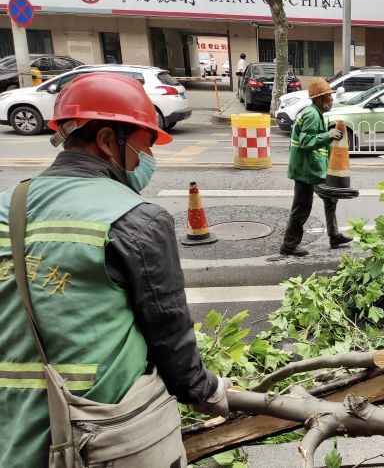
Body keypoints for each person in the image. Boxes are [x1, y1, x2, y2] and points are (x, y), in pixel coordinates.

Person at [0, 73, 230, 467]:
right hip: (101, 431)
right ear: (108, 141)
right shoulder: (135, 217)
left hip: (14, 425)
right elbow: (167, 327)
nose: (148, 161)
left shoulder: (7, 204)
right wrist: (203, 390)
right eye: (145, 147)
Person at [280, 77, 353, 256]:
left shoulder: (314, 112)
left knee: (330, 198)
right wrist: (328, 136)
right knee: (302, 206)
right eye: (329, 97)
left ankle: (334, 236)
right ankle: (289, 245)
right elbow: (306, 141)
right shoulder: (312, 115)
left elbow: (317, 142)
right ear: (320, 99)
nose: (331, 100)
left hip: (313, 169)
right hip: (305, 170)